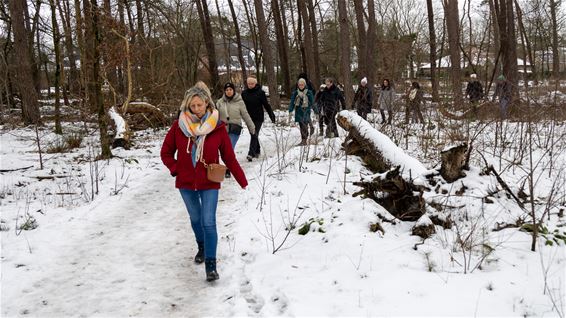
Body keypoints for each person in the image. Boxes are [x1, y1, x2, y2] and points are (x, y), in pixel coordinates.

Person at [161, 85, 248, 282]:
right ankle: (201, 245)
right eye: (192, 105)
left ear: (207, 103)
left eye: (200, 105)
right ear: (187, 106)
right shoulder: (179, 126)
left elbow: (229, 157)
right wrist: (176, 169)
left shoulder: (217, 127)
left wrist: (242, 180)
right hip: (185, 183)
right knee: (196, 218)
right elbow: (165, 153)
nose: (197, 108)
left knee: (208, 221)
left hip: (209, 182)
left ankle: (211, 265)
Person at [216, 82, 255, 178]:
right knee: (222, 150)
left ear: (233, 90)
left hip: (234, 129)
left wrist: (252, 128)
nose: (229, 91)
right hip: (222, 129)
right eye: (227, 90)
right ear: (224, 91)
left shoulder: (239, 102)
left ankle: (228, 169)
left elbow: (245, 115)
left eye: (230, 90)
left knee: (229, 148)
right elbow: (214, 116)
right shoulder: (220, 102)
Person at [241, 76, 276, 161]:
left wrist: (272, 115)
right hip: (248, 117)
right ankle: (257, 150)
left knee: (254, 133)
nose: (250, 85)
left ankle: (251, 153)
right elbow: (241, 106)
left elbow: (266, 105)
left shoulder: (260, 93)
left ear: (255, 83)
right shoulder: (244, 93)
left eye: (252, 83)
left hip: (258, 117)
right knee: (253, 134)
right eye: (249, 83)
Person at [289, 78, 315, 145]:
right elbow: (292, 102)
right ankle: (304, 139)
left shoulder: (309, 92)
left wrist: (316, 111)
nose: (301, 86)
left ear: (305, 85)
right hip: (298, 111)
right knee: (301, 125)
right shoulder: (295, 93)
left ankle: (304, 140)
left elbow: (312, 103)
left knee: (304, 125)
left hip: (306, 110)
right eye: (299, 85)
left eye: (302, 84)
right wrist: (290, 111)